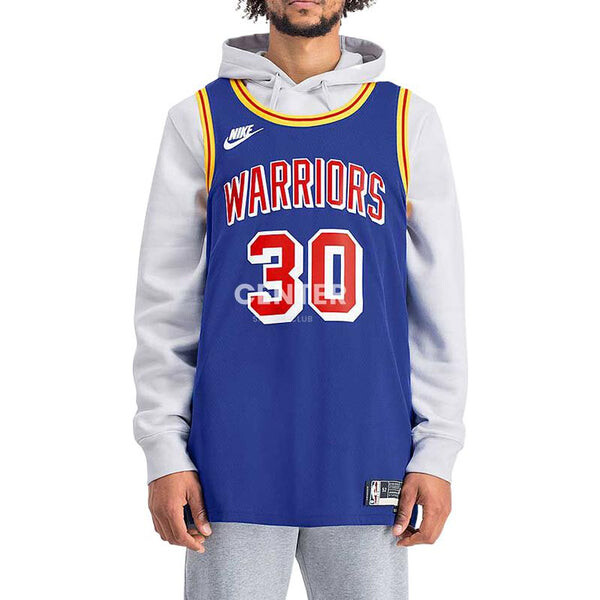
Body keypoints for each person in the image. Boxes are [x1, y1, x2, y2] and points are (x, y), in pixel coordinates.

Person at [133, 1, 467, 598]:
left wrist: (436, 450)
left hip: (369, 447)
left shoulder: (406, 120)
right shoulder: (200, 118)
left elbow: (437, 306)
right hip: (228, 457)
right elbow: (167, 303)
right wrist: (164, 449)